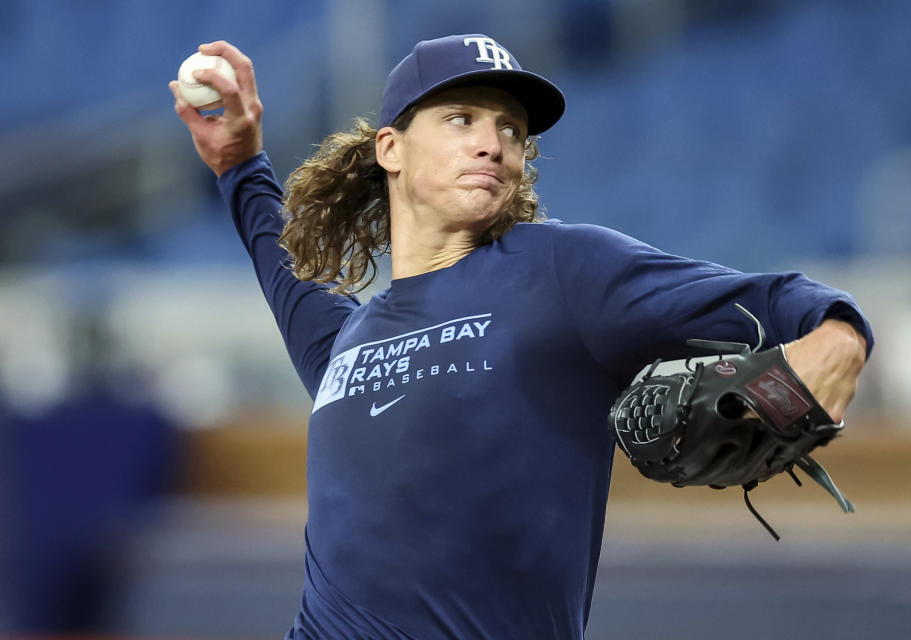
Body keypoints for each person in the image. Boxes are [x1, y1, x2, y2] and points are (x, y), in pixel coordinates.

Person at [170, 34, 872, 640]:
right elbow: (282, 262)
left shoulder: (562, 272)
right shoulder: (346, 342)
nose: (492, 143)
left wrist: (835, 343)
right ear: (390, 148)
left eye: (511, 129)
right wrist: (239, 164)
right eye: (462, 118)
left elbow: (779, 303)